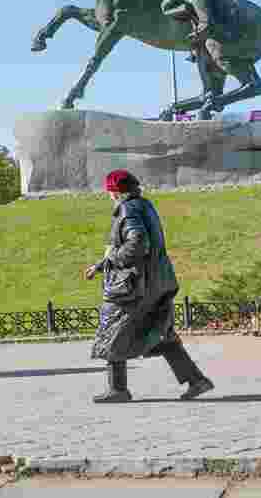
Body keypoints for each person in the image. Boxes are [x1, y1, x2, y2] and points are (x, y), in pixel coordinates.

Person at [85, 169, 214, 403]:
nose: (109, 196)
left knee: (113, 328)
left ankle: (117, 389)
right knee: (159, 333)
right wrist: (102, 264)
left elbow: (138, 243)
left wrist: (110, 261)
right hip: (156, 282)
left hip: (135, 286)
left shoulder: (127, 209)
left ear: (114, 191)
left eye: (110, 192)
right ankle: (196, 381)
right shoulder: (146, 206)